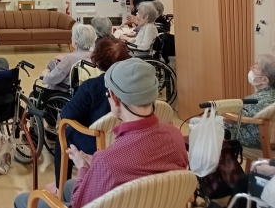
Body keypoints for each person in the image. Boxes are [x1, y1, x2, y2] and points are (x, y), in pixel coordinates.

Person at [14, 58, 188, 208]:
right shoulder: (175, 137)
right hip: (149, 201)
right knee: (68, 186)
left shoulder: (107, 160)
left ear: (114, 97)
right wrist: (95, 164)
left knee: (23, 200)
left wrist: (83, 167)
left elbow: (79, 203)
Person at [46, 37, 131, 196]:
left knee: (62, 135)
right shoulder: (132, 85)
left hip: (96, 141)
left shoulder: (91, 86)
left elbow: (67, 114)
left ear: (98, 61)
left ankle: (60, 187)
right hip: (125, 138)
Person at [235, 56, 275, 149]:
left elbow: (237, 118)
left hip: (254, 139)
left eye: (255, 68)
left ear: (264, 80)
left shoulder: (257, 100)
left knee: (208, 125)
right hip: (265, 138)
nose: (251, 69)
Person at [42, 24, 97, 90]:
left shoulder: (69, 59)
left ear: (76, 42)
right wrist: (65, 59)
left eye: (72, 36)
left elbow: (53, 78)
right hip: (89, 90)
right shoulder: (96, 56)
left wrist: (45, 74)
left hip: (67, 92)